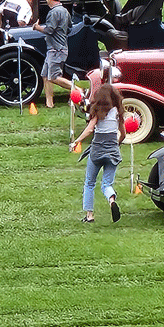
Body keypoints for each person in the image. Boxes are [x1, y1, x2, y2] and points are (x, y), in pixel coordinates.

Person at [70, 83, 124, 223]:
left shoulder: (98, 112)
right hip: (112, 152)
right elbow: (123, 134)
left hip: (97, 152)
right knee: (106, 184)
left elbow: (89, 129)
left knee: (89, 183)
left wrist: (77, 141)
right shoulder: (118, 113)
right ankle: (112, 200)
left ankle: (89, 215)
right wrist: (116, 145)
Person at [32, 0, 78, 108]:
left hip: (56, 50)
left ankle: (79, 91)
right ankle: (49, 103)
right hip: (58, 48)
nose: (46, 0)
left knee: (53, 77)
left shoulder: (53, 12)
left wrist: (36, 28)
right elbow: (69, 28)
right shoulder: (65, 11)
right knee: (45, 75)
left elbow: (49, 30)